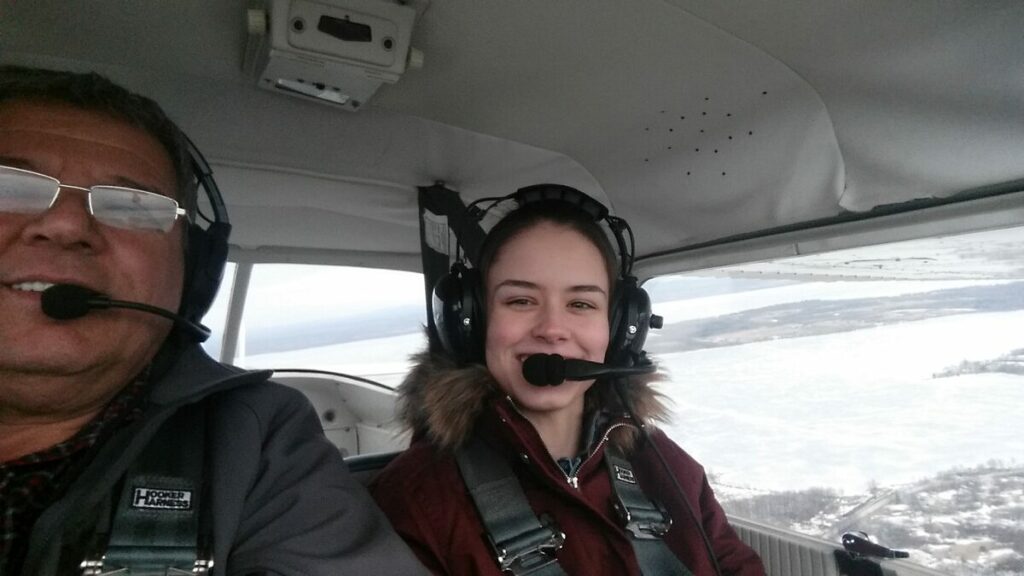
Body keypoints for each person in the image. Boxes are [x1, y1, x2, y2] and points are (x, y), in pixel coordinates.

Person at [0, 66, 426, 575]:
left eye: (133, 206)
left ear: (192, 270)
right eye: (11, 185)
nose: (67, 224)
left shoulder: (254, 439)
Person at [371, 186, 766, 575]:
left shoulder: (665, 467)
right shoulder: (414, 502)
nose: (552, 329)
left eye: (581, 304)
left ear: (620, 328)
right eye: (520, 300)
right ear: (472, 321)